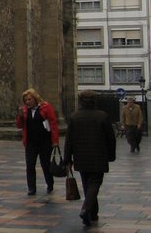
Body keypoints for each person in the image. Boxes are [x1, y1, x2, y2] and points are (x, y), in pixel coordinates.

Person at [64, 90, 117, 227]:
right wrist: (111, 156)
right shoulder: (102, 116)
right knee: (94, 184)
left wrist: (67, 159)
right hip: (98, 156)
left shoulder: (74, 117)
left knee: (88, 185)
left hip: (81, 157)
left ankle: (92, 214)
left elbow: (68, 140)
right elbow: (110, 139)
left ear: (80, 101)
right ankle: (86, 209)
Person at [15, 88, 59, 195]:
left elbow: (53, 124)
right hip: (30, 142)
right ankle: (31, 188)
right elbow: (19, 125)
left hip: (44, 142)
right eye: (25, 100)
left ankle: (50, 184)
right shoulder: (25, 110)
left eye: (29, 99)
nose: (27, 102)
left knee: (45, 164)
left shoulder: (45, 107)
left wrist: (55, 141)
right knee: (30, 165)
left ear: (35, 99)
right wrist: (20, 116)